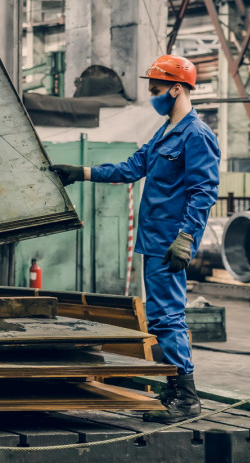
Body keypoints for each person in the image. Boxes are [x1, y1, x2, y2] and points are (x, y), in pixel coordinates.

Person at [50, 55, 220, 423]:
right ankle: (176, 390)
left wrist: (187, 237)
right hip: (154, 242)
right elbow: (131, 168)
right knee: (161, 318)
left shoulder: (197, 135)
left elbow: (204, 191)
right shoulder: (163, 133)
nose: (153, 97)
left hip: (170, 244)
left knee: (168, 319)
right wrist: (80, 172)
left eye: (157, 91)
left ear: (177, 88)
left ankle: (186, 398)